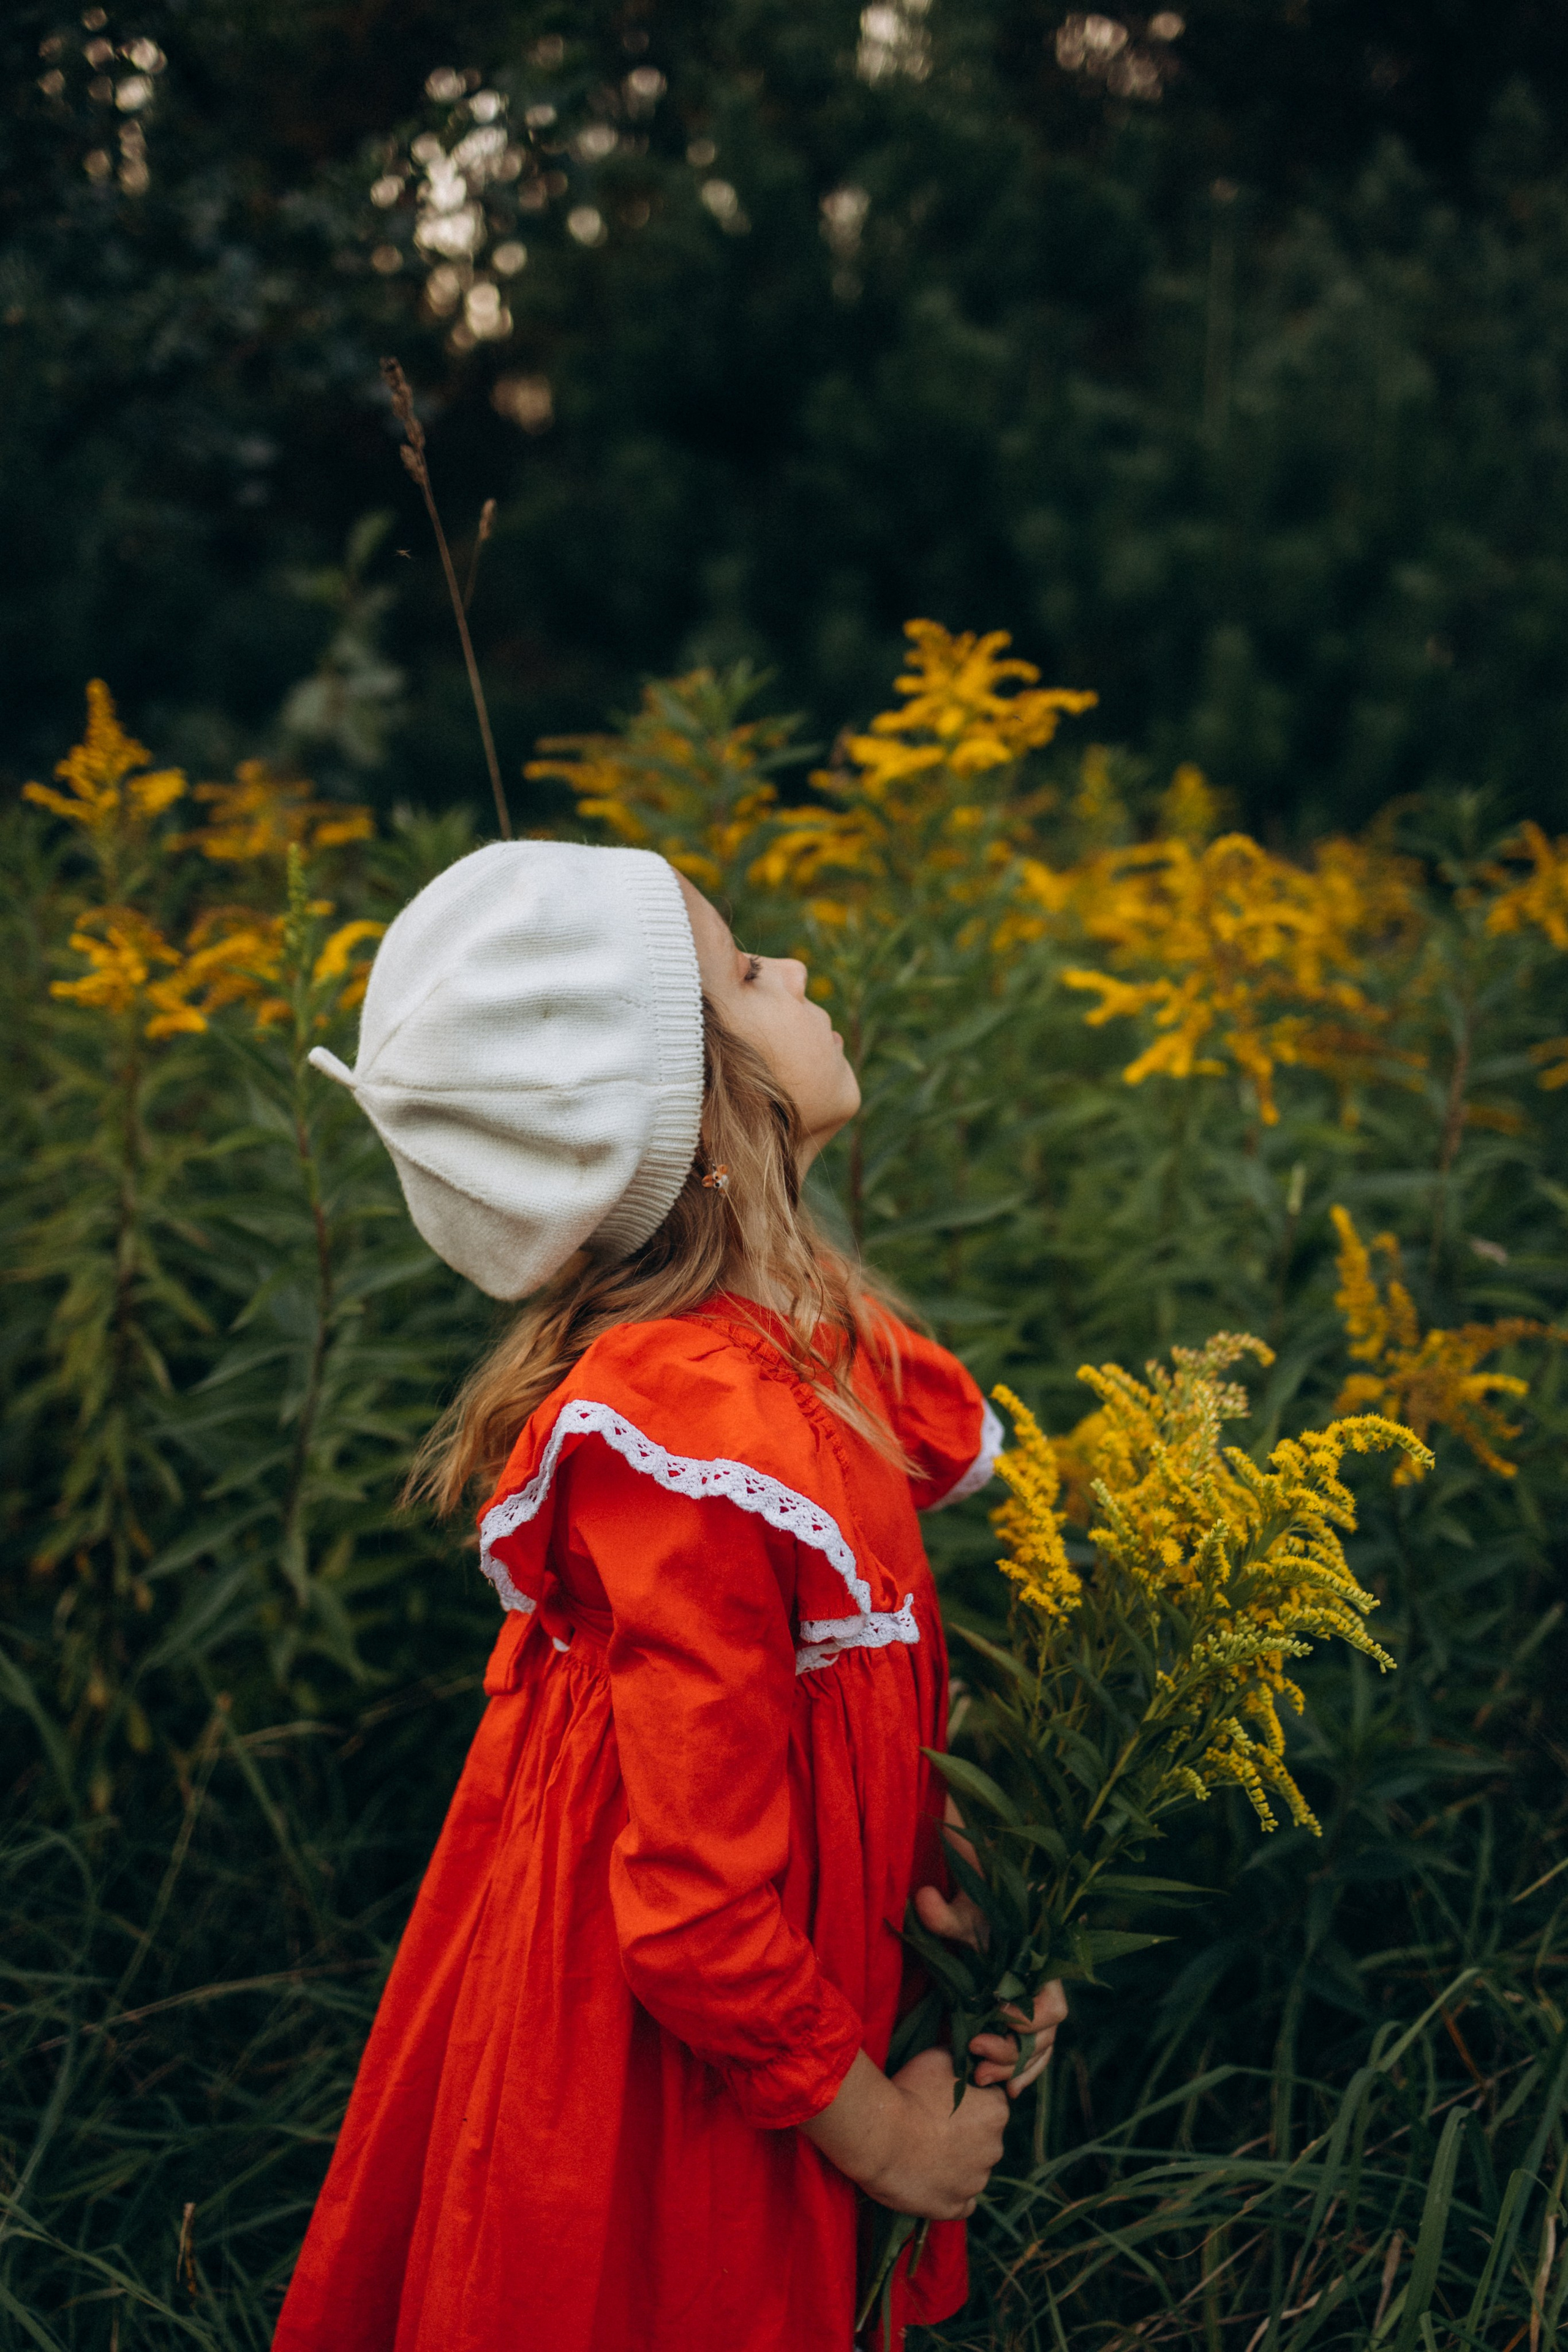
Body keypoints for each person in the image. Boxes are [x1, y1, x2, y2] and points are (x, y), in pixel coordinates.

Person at [273, 840, 1066, 2352]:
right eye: (745, 974)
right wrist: (889, 2143)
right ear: (702, 1117)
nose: (799, 972)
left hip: (816, 2007)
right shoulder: (685, 1439)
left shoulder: (827, 1349)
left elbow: (863, 1723)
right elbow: (695, 1907)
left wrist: (983, 1919)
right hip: (668, 2096)